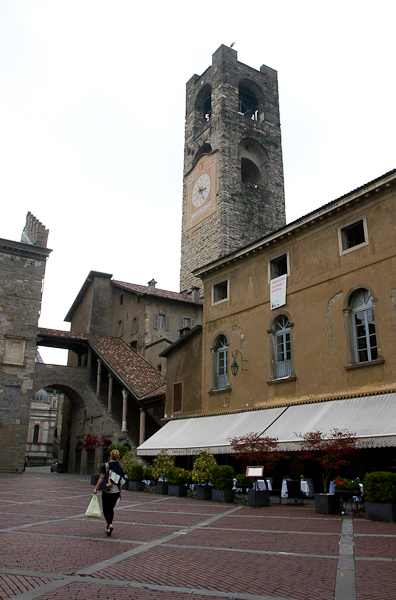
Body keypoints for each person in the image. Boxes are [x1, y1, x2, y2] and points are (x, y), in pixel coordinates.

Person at [93, 449, 125, 536]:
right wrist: (120, 493)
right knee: (111, 509)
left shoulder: (106, 465)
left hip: (107, 491)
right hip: (116, 492)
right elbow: (120, 482)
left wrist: (96, 488)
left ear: (110, 456)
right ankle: (108, 527)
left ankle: (110, 524)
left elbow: (101, 477)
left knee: (106, 509)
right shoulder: (120, 468)